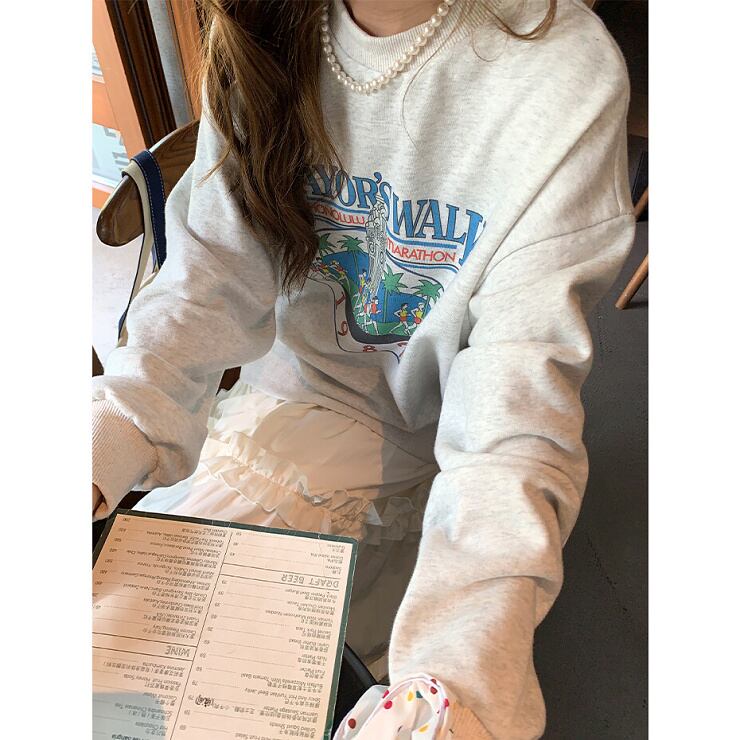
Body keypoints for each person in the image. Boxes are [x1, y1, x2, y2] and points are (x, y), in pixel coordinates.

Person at [92, 0, 635, 736]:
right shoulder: (258, 26)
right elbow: (204, 284)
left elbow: (513, 417)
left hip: (441, 463)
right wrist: (105, 436)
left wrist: (451, 695)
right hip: (276, 423)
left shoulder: (562, 72)